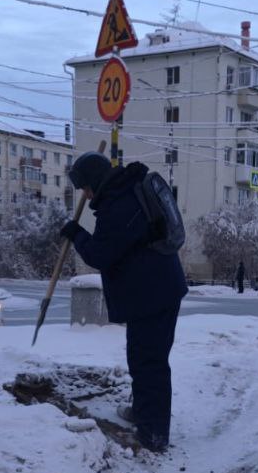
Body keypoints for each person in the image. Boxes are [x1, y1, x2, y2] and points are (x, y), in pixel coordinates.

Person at [60, 152, 188, 453]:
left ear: (94, 182)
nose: (85, 195)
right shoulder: (124, 191)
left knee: (149, 363)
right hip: (154, 292)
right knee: (143, 359)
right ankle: (145, 414)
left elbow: (101, 255)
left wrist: (76, 234)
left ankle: (153, 434)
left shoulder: (119, 205)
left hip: (153, 295)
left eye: (85, 188)